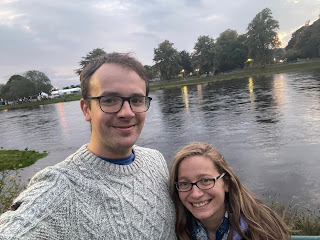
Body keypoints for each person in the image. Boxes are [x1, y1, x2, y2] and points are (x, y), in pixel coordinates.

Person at [0, 53, 176, 239]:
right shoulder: (60, 189)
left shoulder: (156, 160)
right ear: (86, 110)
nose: (127, 112)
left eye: (136, 100)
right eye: (109, 100)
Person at [169, 142, 290, 240]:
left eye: (205, 180)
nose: (195, 194)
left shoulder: (263, 231)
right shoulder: (173, 229)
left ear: (226, 183)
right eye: (184, 183)